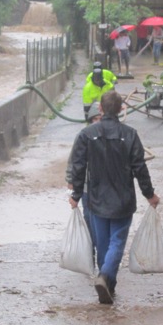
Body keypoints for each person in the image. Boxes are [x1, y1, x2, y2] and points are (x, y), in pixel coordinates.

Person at [68, 91, 160, 305]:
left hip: (97, 199)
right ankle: (106, 278)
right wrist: (150, 194)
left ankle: (107, 283)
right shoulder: (130, 134)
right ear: (121, 109)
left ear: (100, 108)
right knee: (116, 242)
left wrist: (75, 195)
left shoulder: (87, 134)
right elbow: (140, 168)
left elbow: (78, 167)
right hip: (122, 200)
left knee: (102, 244)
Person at [65, 102, 102, 249]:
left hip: (105, 187)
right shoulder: (84, 136)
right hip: (87, 187)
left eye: (101, 119)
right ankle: (91, 249)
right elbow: (74, 159)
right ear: (91, 120)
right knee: (89, 218)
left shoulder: (113, 135)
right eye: (95, 119)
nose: (98, 122)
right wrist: (70, 180)